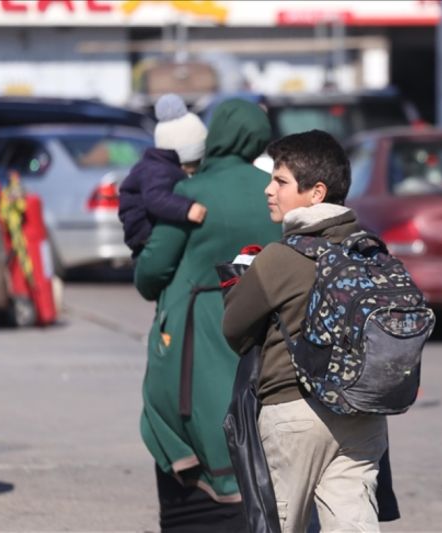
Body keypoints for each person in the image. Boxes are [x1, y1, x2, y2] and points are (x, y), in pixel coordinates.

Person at [223, 130, 388, 532]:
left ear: (316, 193)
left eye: (280, 181)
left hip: (293, 413)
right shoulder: (369, 250)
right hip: (363, 415)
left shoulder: (280, 258)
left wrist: (242, 282)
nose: (269, 190)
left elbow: (234, 329)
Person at [133, 98, 282, 532]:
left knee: (191, 429)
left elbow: (150, 274)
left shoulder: (190, 192)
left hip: (194, 338)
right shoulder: (276, 193)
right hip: (261, 335)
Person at [118, 93, 209, 258]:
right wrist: (187, 209)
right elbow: (155, 198)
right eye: (194, 163)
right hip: (142, 230)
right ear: (183, 156)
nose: (194, 170)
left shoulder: (164, 166)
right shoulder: (157, 169)